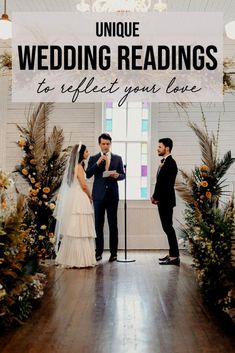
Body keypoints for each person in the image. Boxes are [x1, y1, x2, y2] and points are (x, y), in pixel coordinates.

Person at [54, 143, 96, 268]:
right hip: (80, 198)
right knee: (80, 228)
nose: (88, 153)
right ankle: (80, 260)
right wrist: (90, 196)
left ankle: (70, 258)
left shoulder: (74, 167)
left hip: (74, 199)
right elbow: (83, 185)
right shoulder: (79, 167)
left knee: (74, 228)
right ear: (81, 154)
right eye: (87, 151)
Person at [86, 133, 125, 262]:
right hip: (98, 196)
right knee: (98, 225)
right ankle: (98, 252)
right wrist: (97, 163)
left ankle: (114, 253)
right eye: (103, 144)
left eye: (108, 144)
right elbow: (87, 175)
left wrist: (116, 176)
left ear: (110, 144)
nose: (105, 146)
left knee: (113, 225)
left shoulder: (117, 158)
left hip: (113, 196)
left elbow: (123, 175)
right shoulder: (93, 158)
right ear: (99, 144)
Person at [151, 138, 180, 266]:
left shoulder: (171, 163)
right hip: (162, 199)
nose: (158, 149)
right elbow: (159, 182)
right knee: (167, 227)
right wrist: (154, 195)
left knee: (168, 227)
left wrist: (156, 196)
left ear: (167, 148)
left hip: (166, 200)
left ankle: (174, 256)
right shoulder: (164, 162)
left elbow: (166, 185)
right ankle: (172, 253)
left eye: (160, 147)